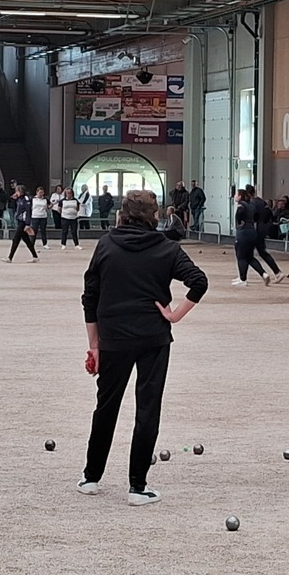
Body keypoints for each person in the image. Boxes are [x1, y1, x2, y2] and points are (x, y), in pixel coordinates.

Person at [78, 189, 208, 506]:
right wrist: (175, 315)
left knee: (106, 405)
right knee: (148, 408)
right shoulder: (167, 248)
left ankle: (91, 477)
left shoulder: (106, 245)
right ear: (155, 216)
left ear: (122, 214)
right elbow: (199, 281)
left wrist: (94, 345)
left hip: (114, 337)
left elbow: (90, 296)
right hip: (153, 337)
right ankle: (138, 486)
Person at [231, 188, 269, 287]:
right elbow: (257, 217)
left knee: (241, 257)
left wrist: (240, 222)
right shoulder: (251, 205)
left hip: (243, 232)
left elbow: (240, 214)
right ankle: (263, 274)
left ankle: (243, 279)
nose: (234, 196)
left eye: (236, 194)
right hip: (252, 231)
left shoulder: (241, 205)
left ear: (240, 196)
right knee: (249, 257)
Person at [248, 184, 284, 282]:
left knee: (246, 255)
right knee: (262, 252)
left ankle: (245, 277)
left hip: (254, 230)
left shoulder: (251, 203)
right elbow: (269, 214)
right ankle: (277, 272)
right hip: (262, 229)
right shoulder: (262, 202)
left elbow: (251, 217)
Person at [6, 185, 39, 262]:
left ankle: (10, 257)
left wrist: (27, 224)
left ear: (20, 191)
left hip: (23, 222)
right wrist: (13, 198)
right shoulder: (19, 199)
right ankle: (35, 256)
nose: (15, 193)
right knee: (27, 240)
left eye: (17, 191)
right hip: (20, 220)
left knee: (16, 239)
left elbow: (28, 211)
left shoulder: (26, 199)